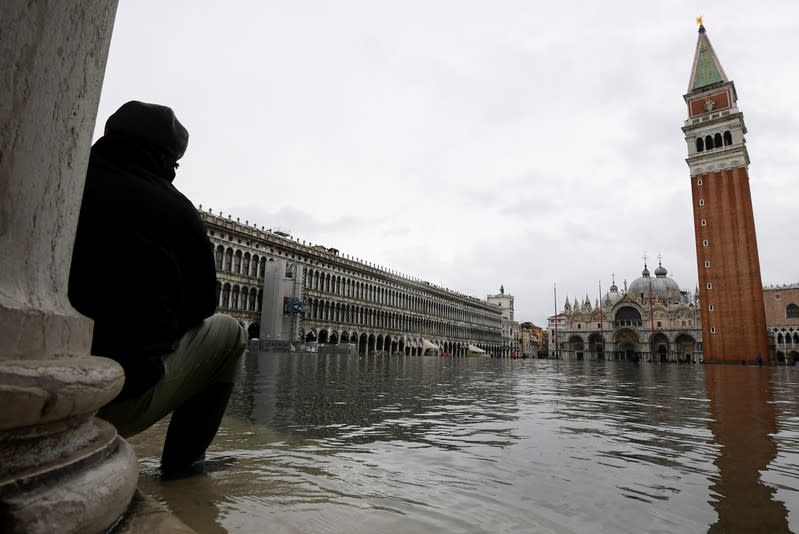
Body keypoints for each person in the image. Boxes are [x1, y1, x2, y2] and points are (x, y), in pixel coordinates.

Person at [69, 100, 246, 476]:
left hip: (39, 383)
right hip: (110, 401)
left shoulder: (59, 181)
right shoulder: (176, 211)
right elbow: (201, 308)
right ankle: (184, 463)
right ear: (167, 159)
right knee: (231, 332)